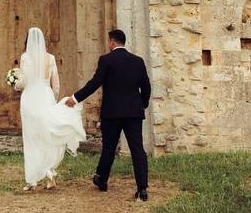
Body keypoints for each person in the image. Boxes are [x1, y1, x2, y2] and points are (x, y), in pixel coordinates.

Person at [66, 29, 152, 202]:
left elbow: (94, 83)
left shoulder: (106, 60)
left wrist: (75, 98)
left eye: (109, 41)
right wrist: (141, 104)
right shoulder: (138, 61)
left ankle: (102, 180)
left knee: (109, 148)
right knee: (137, 149)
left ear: (112, 42)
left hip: (111, 112)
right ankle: (142, 189)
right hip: (133, 112)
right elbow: (146, 87)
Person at [18, 27, 86, 191]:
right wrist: (54, 101)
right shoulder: (50, 58)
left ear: (28, 41)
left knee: (31, 138)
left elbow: (23, 83)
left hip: (29, 98)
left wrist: (15, 83)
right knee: (46, 136)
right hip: (45, 97)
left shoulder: (25, 58)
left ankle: (32, 179)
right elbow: (56, 85)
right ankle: (48, 173)